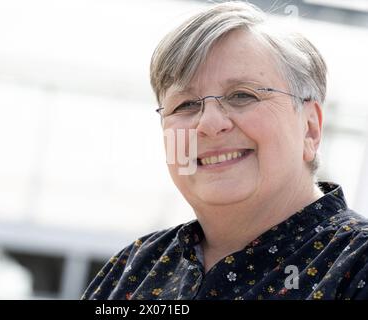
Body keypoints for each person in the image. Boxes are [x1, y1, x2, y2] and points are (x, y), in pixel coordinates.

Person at [82, 1, 368, 300]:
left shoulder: (357, 265)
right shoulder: (131, 270)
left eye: (242, 95)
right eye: (186, 104)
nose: (209, 123)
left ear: (310, 127)